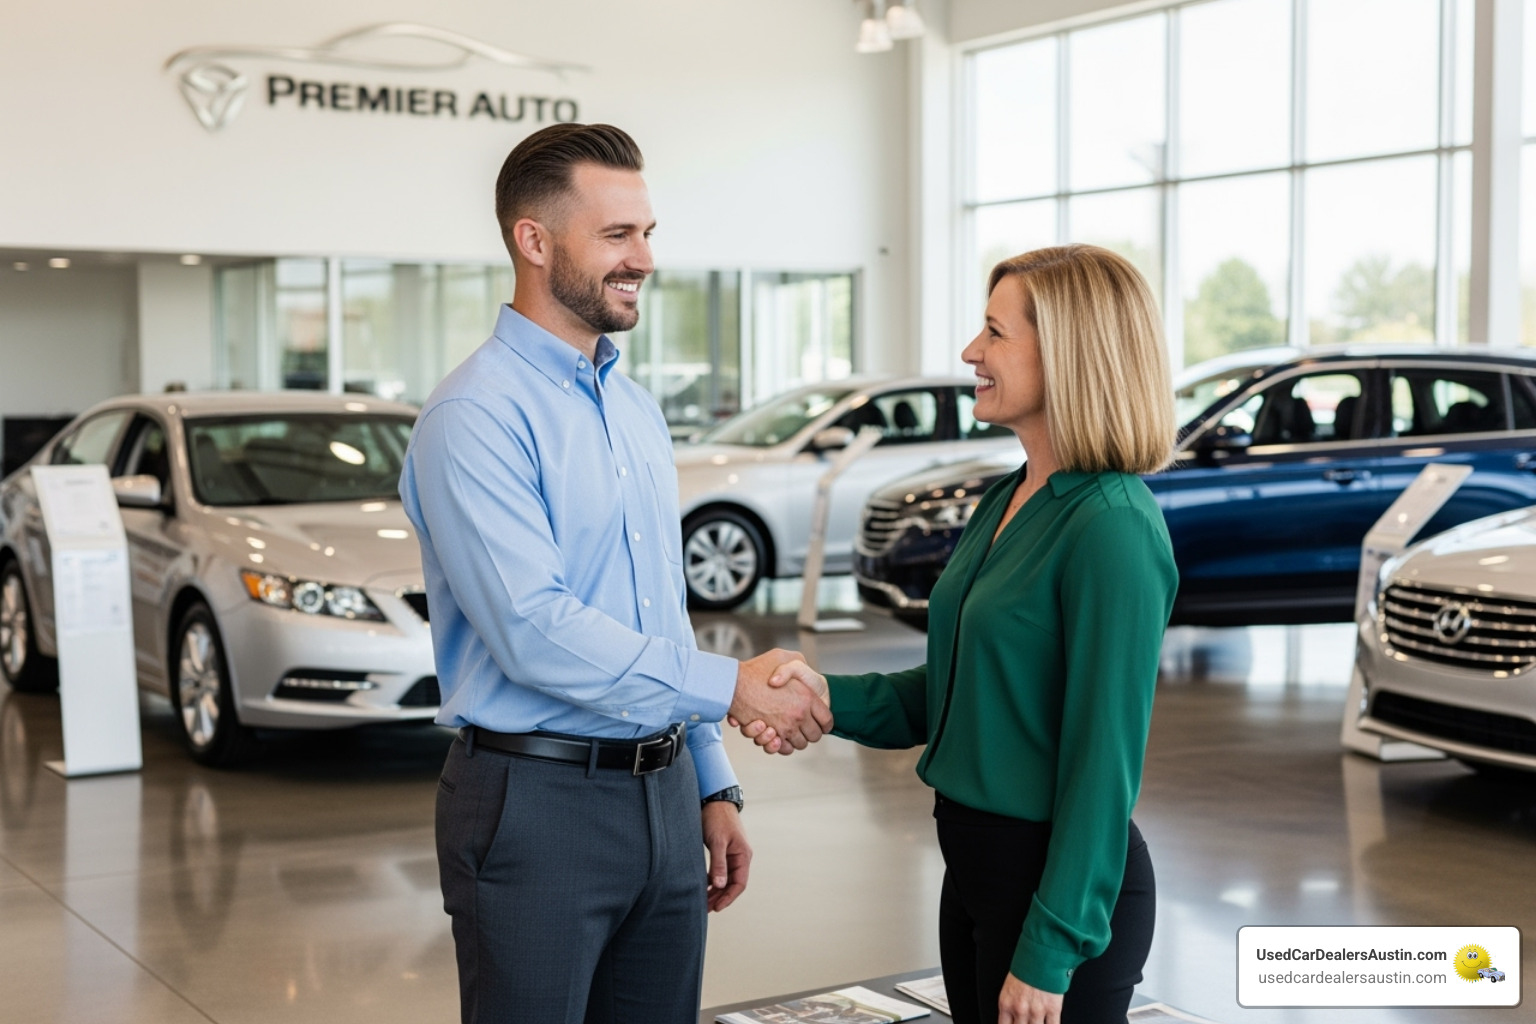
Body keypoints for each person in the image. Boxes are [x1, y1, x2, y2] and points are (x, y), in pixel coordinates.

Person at [399, 123, 832, 1024]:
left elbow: (656, 610)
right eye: (617, 236)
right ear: (533, 240)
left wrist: (710, 777)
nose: (643, 259)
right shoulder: (473, 417)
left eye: (648, 233)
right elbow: (534, 628)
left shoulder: (632, 409)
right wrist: (732, 689)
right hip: (536, 804)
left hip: (665, 796)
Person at [749, 245, 1178, 1024]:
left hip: (1054, 896)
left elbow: (1102, 763)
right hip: (974, 871)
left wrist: (1052, 949)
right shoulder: (1011, 496)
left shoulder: (1112, 525)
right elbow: (956, 687)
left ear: (1069, 355)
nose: (970, 352)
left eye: (993, 333)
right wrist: (823, 696)